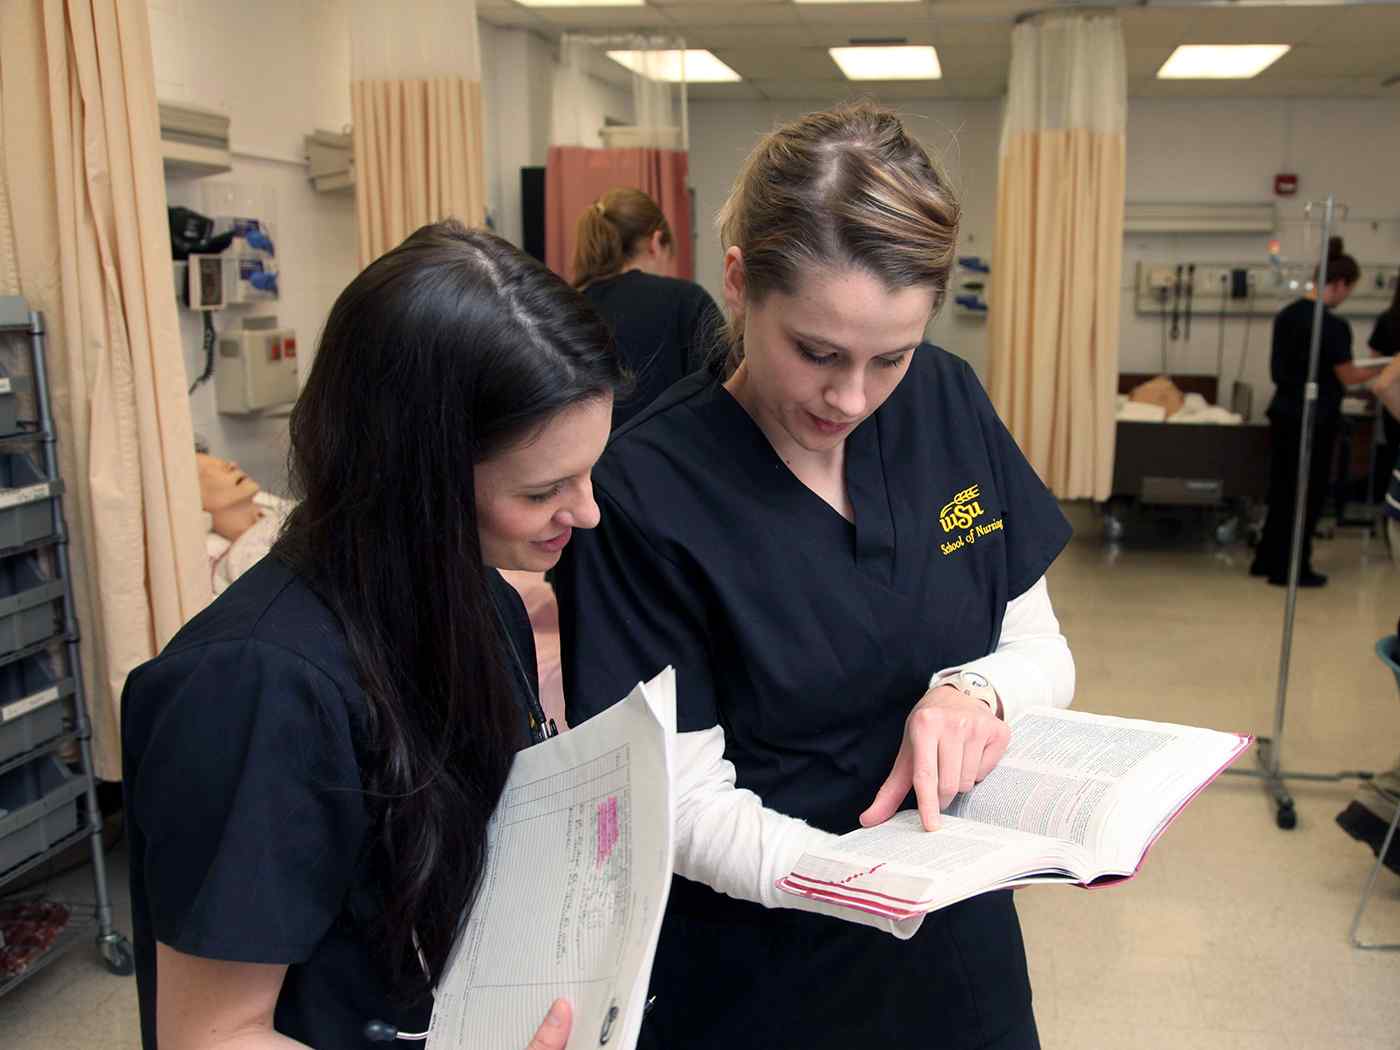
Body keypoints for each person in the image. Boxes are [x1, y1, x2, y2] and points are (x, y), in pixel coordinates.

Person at [555, 103, 1075, 1050]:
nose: (851, 398)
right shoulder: (645, 492)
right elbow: (678, 800)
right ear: (741, 281)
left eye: (891, 358)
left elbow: (1037, 645)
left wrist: (975, 691)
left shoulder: (947, 400)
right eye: (817, 352)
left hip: (954, 940)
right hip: (762, 967)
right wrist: (844, 878)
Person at [122, 221, 624, 1050]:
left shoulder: (480, 600)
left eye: (588, 473)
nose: (588, 513)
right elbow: (210, 1035)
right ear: (414, 480)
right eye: (543, 492)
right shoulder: (255, 687)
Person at [1250, 237, 1382, 587]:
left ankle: (1266, 559)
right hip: (1314, 419)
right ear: (1339, 284)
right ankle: (1293, 568)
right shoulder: (1333, 326)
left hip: (1283, 411)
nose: (1346, 297)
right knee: (1306, 496)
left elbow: (1279, 369)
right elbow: (1348, 375)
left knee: (1281, 491)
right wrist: (1386, 368)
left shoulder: (1286, 316)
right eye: (1348, 290)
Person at [572, 187, 725, 427]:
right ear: (656, 242)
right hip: (672, 459)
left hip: (591, 462)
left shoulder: (567, 308)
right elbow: (724, 394)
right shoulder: (686, 300)